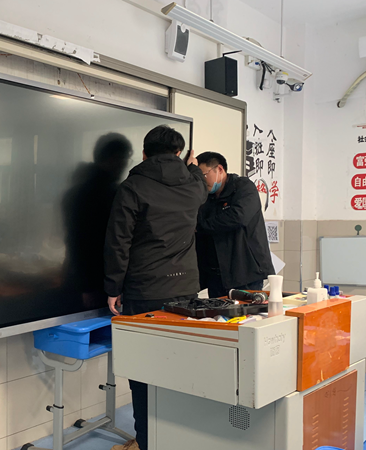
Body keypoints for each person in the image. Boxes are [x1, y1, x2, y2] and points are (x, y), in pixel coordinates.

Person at [104, 125, 208, 450]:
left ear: (144, 153)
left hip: (145, 292)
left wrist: (113, 286)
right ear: (179, 153)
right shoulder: (193, 186)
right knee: (180, 371)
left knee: (144, 373)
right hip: (186, 293)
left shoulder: (132, 187)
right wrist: (192, 167)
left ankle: (147, 443)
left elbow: (118, 241)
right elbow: (202, 186)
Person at [62, 133, 133, 309]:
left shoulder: (85, 190)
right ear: (111, 159)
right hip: (95, 282)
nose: (124, 165)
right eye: (123, 159)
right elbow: (80, 241)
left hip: (91, 279)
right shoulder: (100, 193)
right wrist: (87, 286)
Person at [195, 151, 275, 298]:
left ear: (219, 169)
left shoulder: (243, 187)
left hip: (245, 272)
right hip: (217, 275)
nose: (202, 181)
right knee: (216, 312)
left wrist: (201, 226)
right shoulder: (206, 197)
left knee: (247, 312)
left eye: (204, 175)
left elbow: (238, 217)